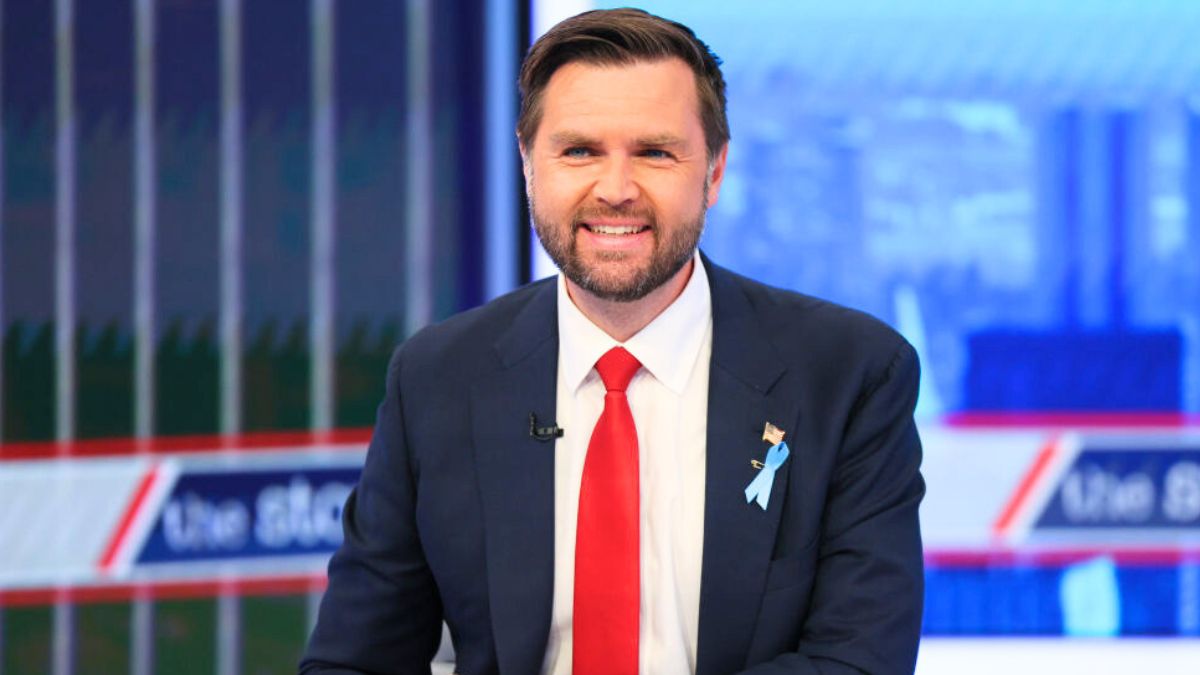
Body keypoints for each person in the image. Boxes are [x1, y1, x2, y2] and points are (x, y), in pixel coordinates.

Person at [301, 8, 923, 675]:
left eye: (655, 152)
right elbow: (354, 661)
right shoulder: (436, 378)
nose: (617, 190)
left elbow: (858, 662)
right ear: (528, 165)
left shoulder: (850, 374)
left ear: (713, 172)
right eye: (579, 151)